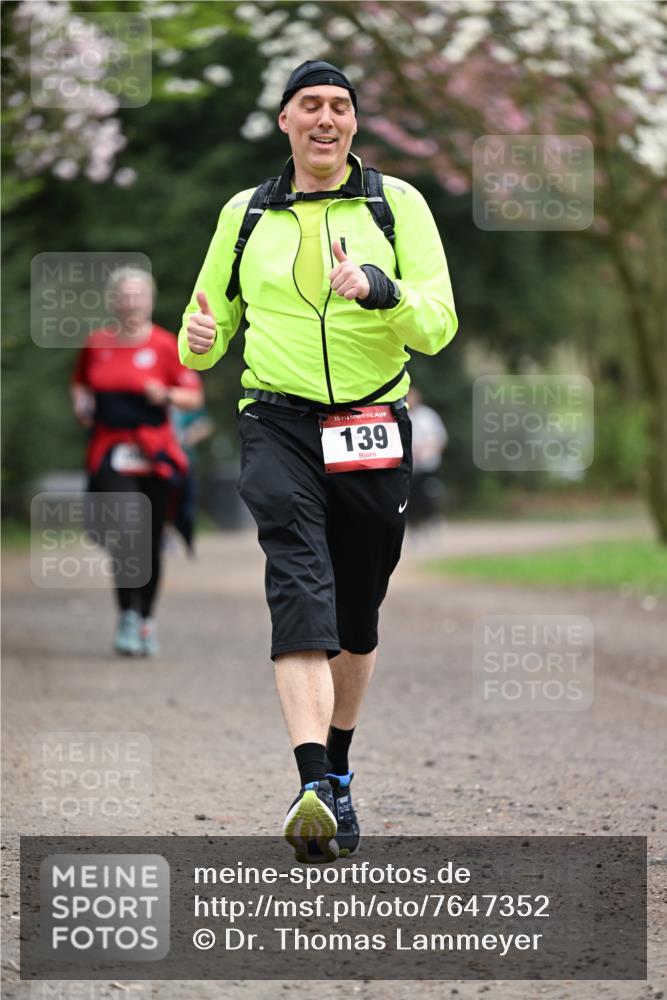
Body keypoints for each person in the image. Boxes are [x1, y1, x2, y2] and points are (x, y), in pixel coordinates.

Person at [179, 60, 457, 862]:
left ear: (353, 124)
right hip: (278, 422)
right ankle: (309, 783)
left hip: (372, 421)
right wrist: (197, 340)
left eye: (339, 105)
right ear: (286, 121)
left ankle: (336, 769)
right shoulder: (245, 214)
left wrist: (381, 288)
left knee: (357, 616)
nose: (325, 117)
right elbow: (203, 330)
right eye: (310, 105)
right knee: (299, 586)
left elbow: (437, 325)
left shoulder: (395, 206)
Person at [71, 267, 203, 657]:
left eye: (138, 295)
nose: (131, 302)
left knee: (148, 539)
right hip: (111, 447)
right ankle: (127, 615)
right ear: (113, 301)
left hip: (154, 449)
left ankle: (146, 617)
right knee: (126, 529)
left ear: (150, 299)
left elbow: (193, 398)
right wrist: (81, 403)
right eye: (124, 295)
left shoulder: (166, 345)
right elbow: (80, 382)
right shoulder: (96, 343)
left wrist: (165, 394)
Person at [406, 385, 448, 526]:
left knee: (429, 494)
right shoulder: (402, 415)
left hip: (427, 465)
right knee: (410, 497)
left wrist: (426, 452)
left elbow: (441, 439)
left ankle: (432, 519)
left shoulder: (428, 416)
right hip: (410, 467)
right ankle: (413, 524)